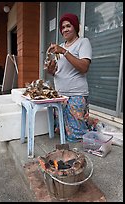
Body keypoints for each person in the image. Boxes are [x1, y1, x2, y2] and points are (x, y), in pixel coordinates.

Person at [44, 13, 92, 142]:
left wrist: (64, 52)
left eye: (68, 26)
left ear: (75, 27)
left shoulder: (83, 42)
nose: (65, 29)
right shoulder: (60, 47)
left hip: (76, 95)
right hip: (60, 96)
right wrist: (51, 70)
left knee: (76, 136)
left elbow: (84, 67)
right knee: (61, 132)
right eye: (62, 27)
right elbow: (59, 71)